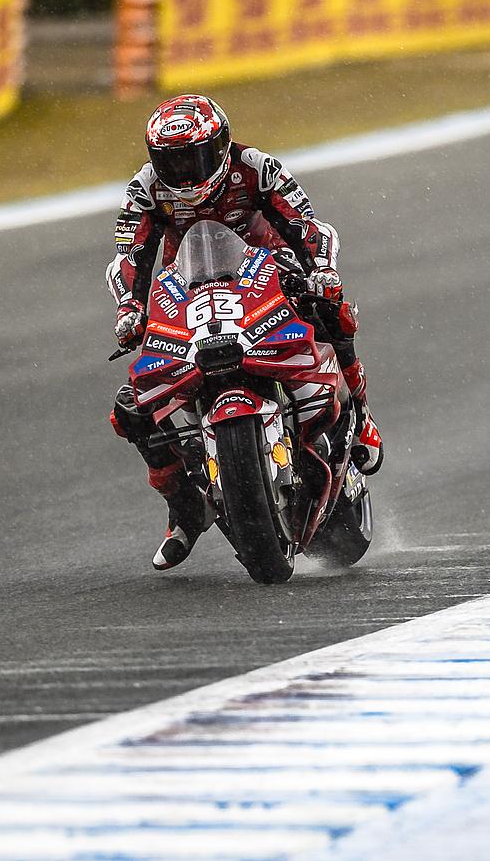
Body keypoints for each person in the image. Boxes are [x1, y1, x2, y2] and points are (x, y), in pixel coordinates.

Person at [106, 94, 383, 571]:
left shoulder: (256, 167)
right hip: (187, 286)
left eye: (194, 159)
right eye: (172, 162)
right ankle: (185, 508)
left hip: (267, 268)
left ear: (220, 146)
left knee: (330, 311)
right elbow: (130, 255)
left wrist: (320, 270)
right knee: (133, 405)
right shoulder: (145, 189)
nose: (185, 174)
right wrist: (130, 308)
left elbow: (307, 225)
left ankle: (361, 414)